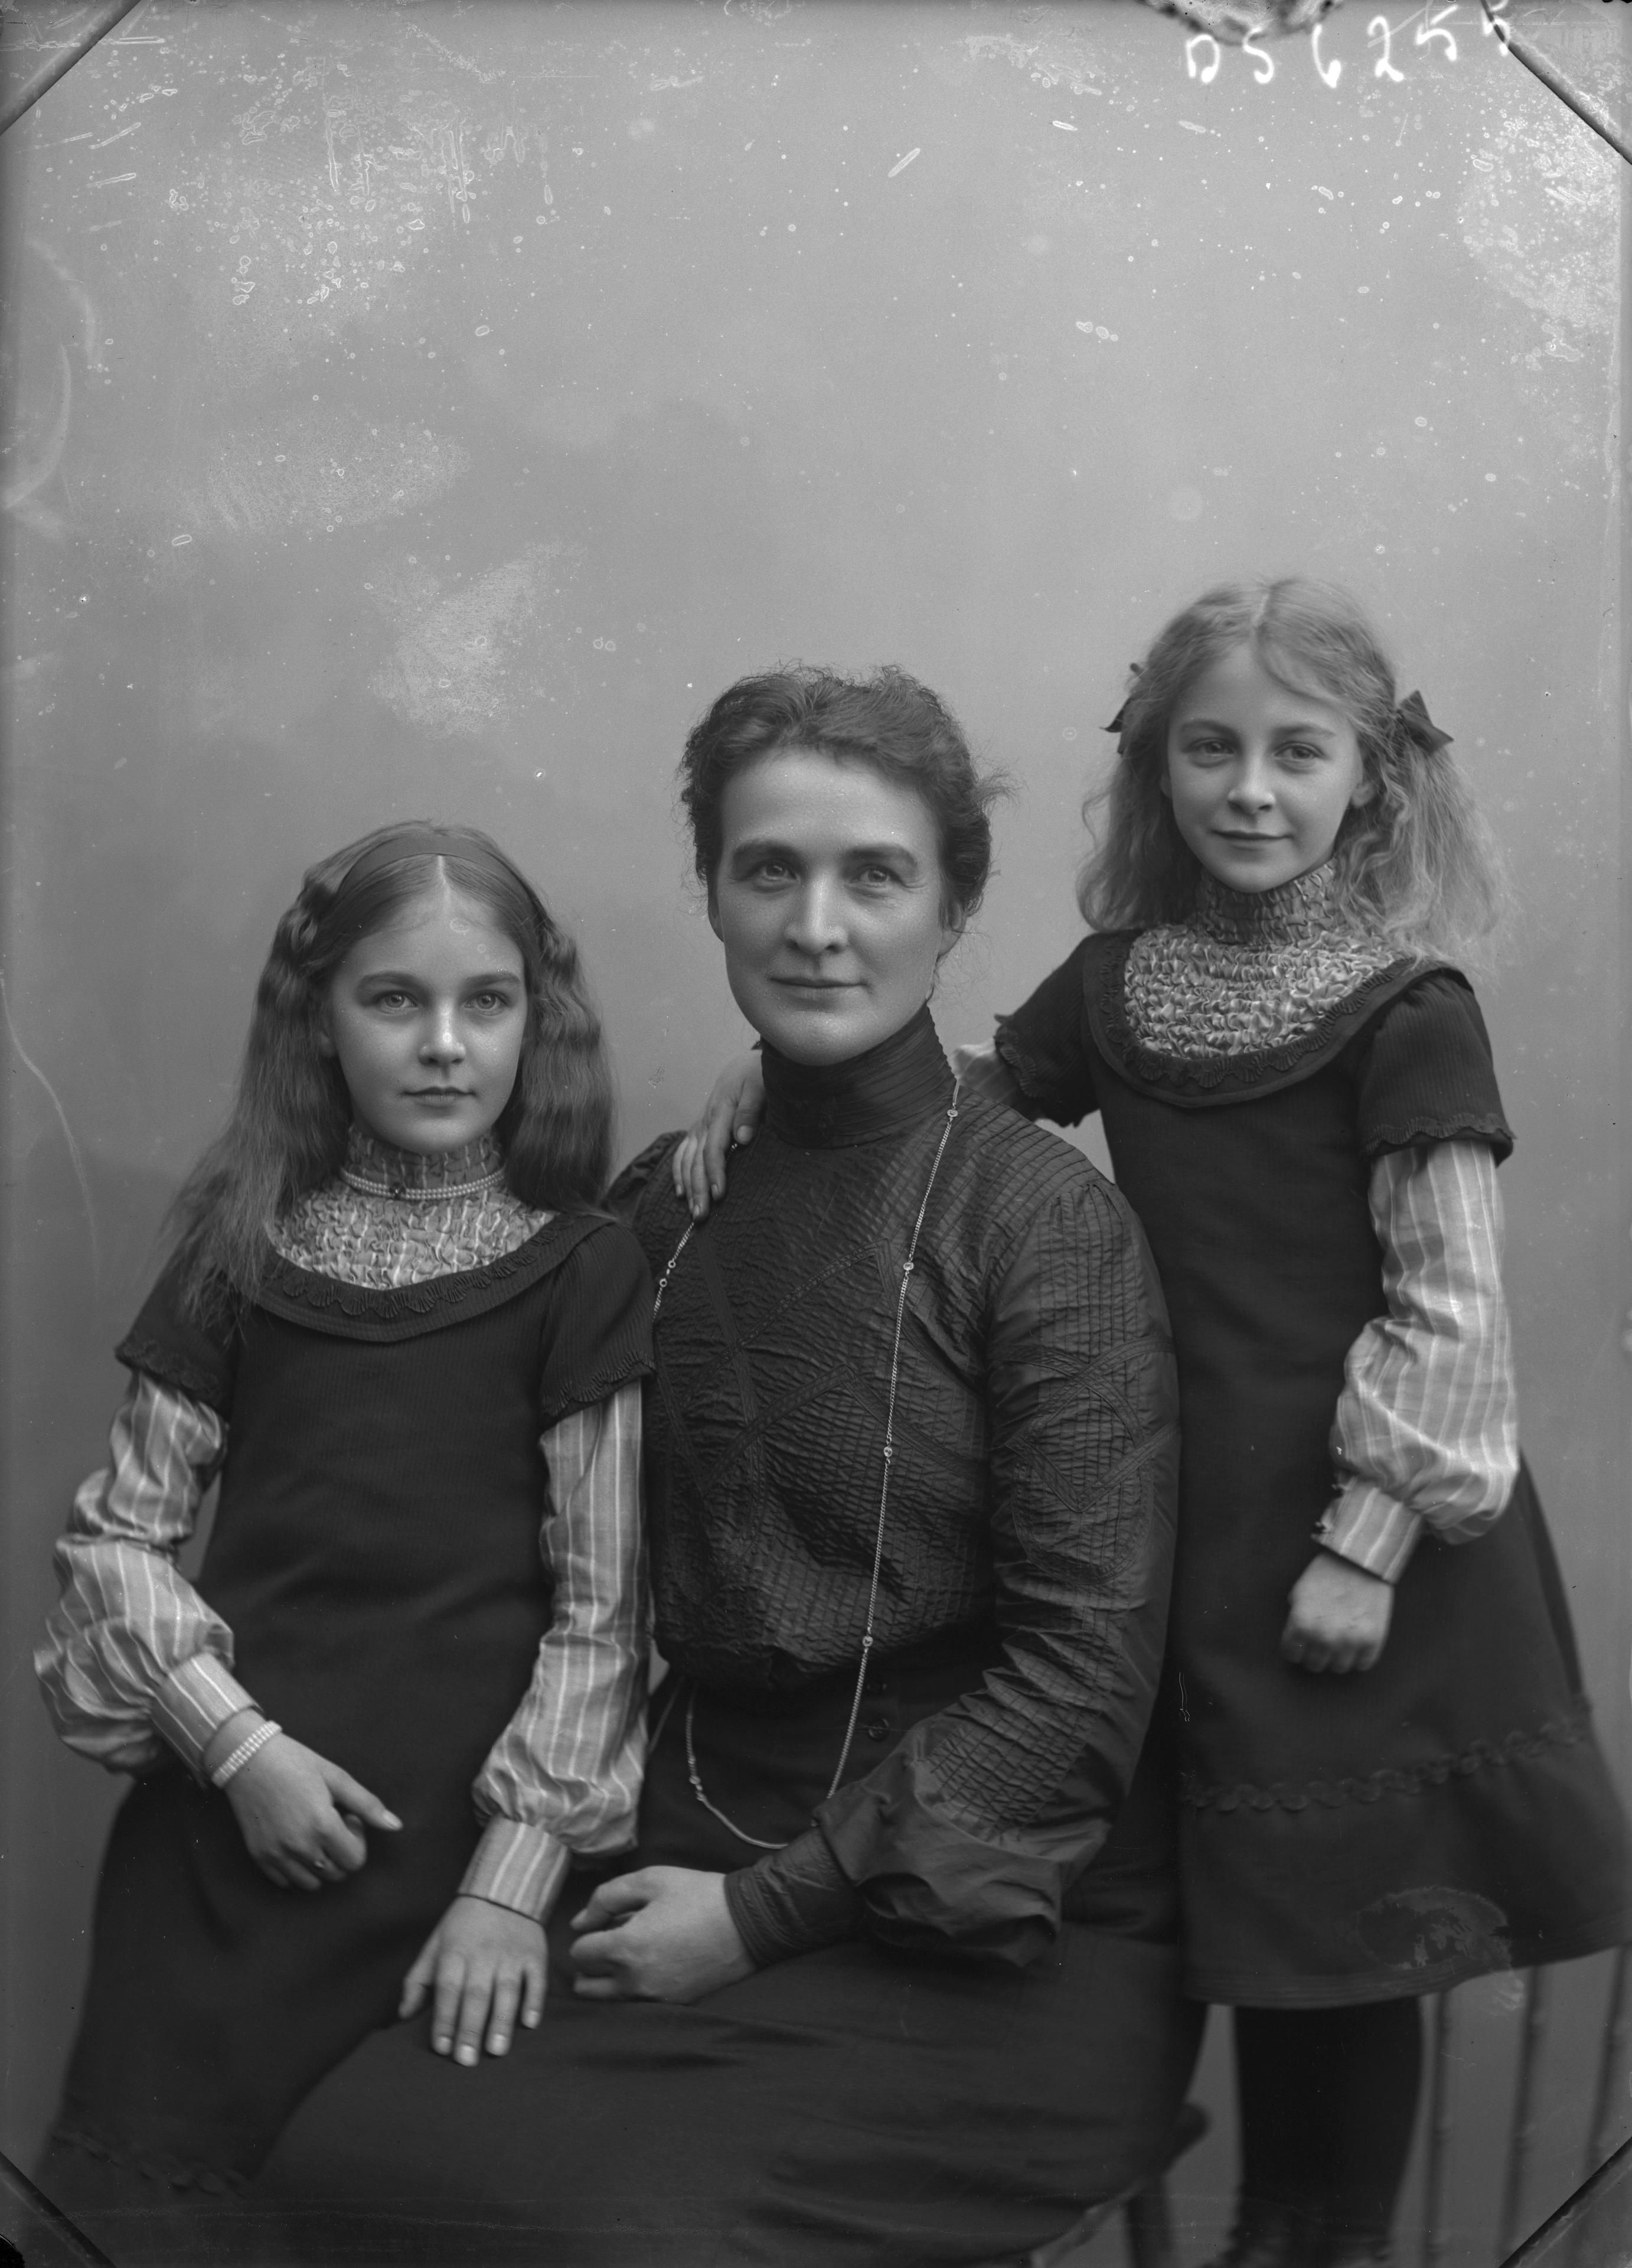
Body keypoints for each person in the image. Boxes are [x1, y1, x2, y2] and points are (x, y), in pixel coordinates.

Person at [678, 586, 1632, 2267]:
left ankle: (1309, 2247)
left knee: (1341, 1937)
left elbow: (1448, 1306)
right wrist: (786, 1072)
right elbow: (960, 1098)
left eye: (1295, 753)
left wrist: (1367, 1540)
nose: (1248, 790)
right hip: (1196, 1518)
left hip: (1359, 1542)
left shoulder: (1404, 1009)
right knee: (1242, 1905)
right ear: (1155, 766)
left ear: (1370, 774)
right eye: (1210, 749)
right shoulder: (1123, 983)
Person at [248, 664, 1199, 2267]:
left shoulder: (1045, 1227)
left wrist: (755, 1921)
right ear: (710, 890)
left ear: (955, 906)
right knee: (341, 2164)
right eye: (769, 871)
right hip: (680, 1846)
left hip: (990, 1919)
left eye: (873, 876)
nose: (815, 927)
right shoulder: (661, 1204)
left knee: (610, 2238)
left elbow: (1081, 1681)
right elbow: (560, 1571)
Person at [33, 823, 652, 2264]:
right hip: (216, 1864)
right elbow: (116, 1542)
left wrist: (508, 1892)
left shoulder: (582, 1270)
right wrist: (238, 1749)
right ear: (318, 1017)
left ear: (535, 1020)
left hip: (452, 1890)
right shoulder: (239, 1244)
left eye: (485, 1002)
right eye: (393, 1000)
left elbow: (605, 1617)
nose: (442, 1044)